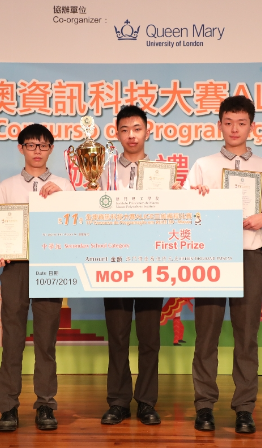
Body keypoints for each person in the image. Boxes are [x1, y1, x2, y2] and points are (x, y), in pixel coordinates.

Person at [183, 95, 262, 434]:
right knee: (206, 334)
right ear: (219, 125)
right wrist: (197, 200)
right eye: (228, 122)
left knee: (246, 335)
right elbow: (186, 210)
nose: (234, 129)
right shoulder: (203, 165)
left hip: (250, 253)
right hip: (211, 254)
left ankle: (244, 408)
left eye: (241, 123)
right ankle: (204, 406)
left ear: (252, 126)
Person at [98, 105, 180, 426]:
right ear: (116, 133)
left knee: (149, 338)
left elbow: (174, 214)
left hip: (151, 263)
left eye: (137, 129)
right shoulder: (103, 172)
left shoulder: (162, 172)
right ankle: (118, 401)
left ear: (148, 130)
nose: (131, 135)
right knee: (117, 336)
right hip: (114, 263)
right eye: (124, 130)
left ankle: (146, 401)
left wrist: (181, 196)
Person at [0, 123, 75, 432]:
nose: (36, 151)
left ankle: (45, 405)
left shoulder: (64, 185)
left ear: (51, 149)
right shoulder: (7, 185)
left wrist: (63, 199)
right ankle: (8, 408)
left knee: (45, 340)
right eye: (30, 145)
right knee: (12, 339)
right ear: (21, 148)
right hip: (16, 267)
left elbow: (76, 224)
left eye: (42, 145)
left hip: (51, 266)